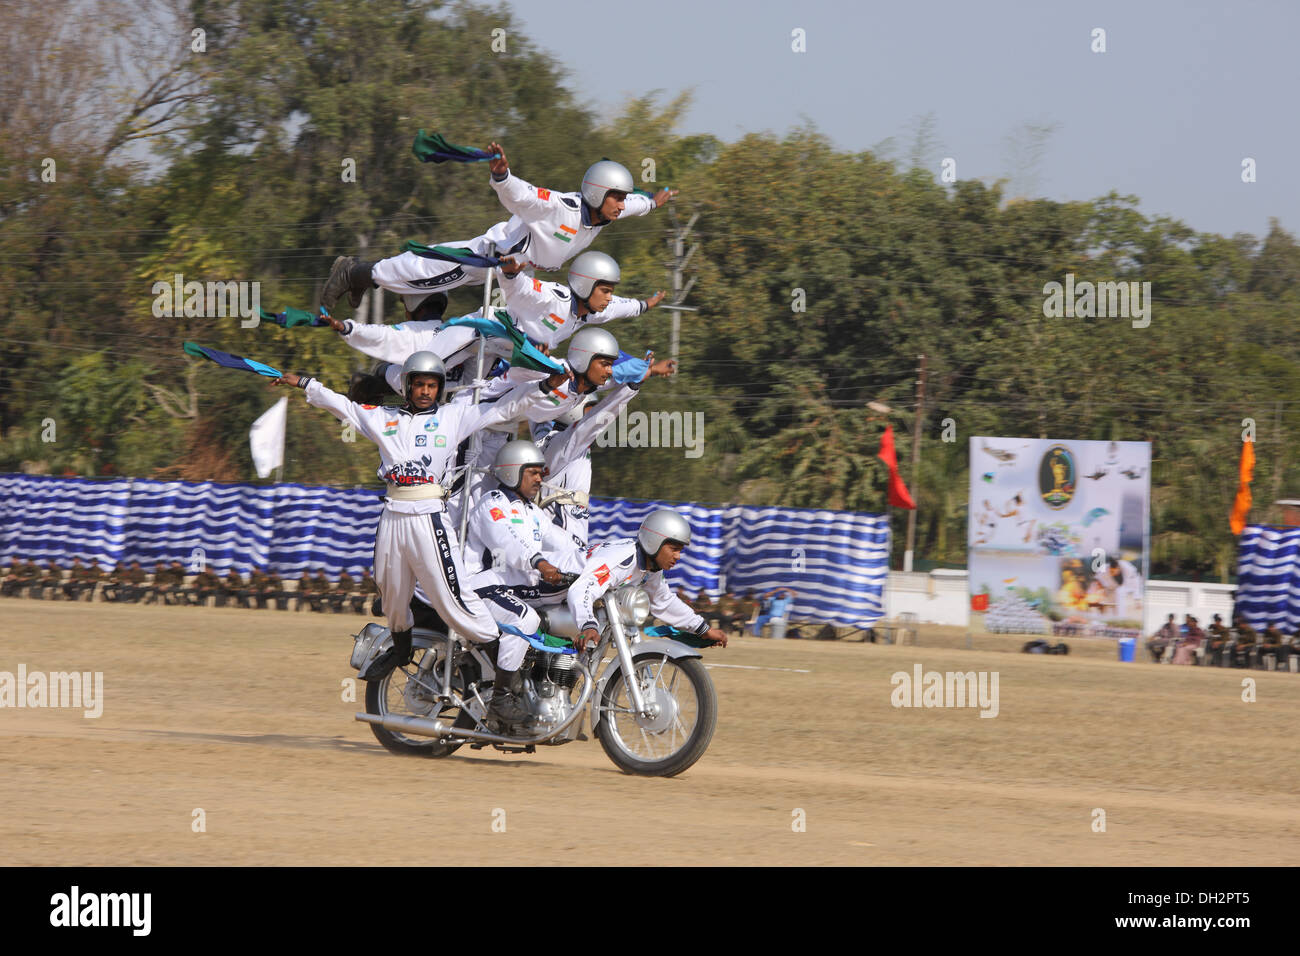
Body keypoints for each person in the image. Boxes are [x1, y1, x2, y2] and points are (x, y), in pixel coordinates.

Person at [271, 350, 567, 680]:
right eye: (419, 385)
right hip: (393, 514)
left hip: (429, 514)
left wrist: (545, 388)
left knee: (452, 595)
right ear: (407, 386)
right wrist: (306, 384)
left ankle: (495, 652)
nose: (426, 391)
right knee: (391, 592)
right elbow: (343, 406)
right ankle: (401, 649)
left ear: (439, 388)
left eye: (432, 385)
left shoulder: (454, 416)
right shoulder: (382, 418)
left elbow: (504, 407)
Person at [322, 148, 675, 318]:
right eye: (617, 197)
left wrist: (654, 203)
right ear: (597, 193)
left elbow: (637, 206)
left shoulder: (608, 213)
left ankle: (365, 278)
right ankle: (353, 272)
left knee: (507, 324)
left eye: (624, 198)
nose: (622, 204)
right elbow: (521, 196)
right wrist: (503, 176)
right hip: (489, 257)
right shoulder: (561, 207)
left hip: (519, 273)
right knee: (422, 273)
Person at [461, 440, 586, 728]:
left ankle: (547, 686)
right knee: (525, 619)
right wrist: (539, 562)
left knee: (573, 613)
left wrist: (593, 557)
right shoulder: (492, 504)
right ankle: (501, 700)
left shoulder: (532, 511)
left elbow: (563, 541)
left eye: (541, 473)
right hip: (481, 585)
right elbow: (506, 540)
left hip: (513, 586)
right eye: (533, 473)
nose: (540, 479)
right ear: (510, 473)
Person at [533, 354, 678, 548]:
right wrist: (633, 385)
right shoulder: (566, 443)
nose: (591, 415)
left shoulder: (544, 436)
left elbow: (537, 408)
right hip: (563, 539)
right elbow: (596, 420)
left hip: (556, 535)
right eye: (588, 409)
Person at [568, 508, 729, 653]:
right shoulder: (622, 560)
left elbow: (664, 602)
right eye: (674, 549)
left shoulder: (649, 569)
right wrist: (588, 624)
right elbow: (582, 590)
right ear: (653, 542)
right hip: (549, 594)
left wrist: (703, 629)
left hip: (569, 603)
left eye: (680, 551)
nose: (678, 556)